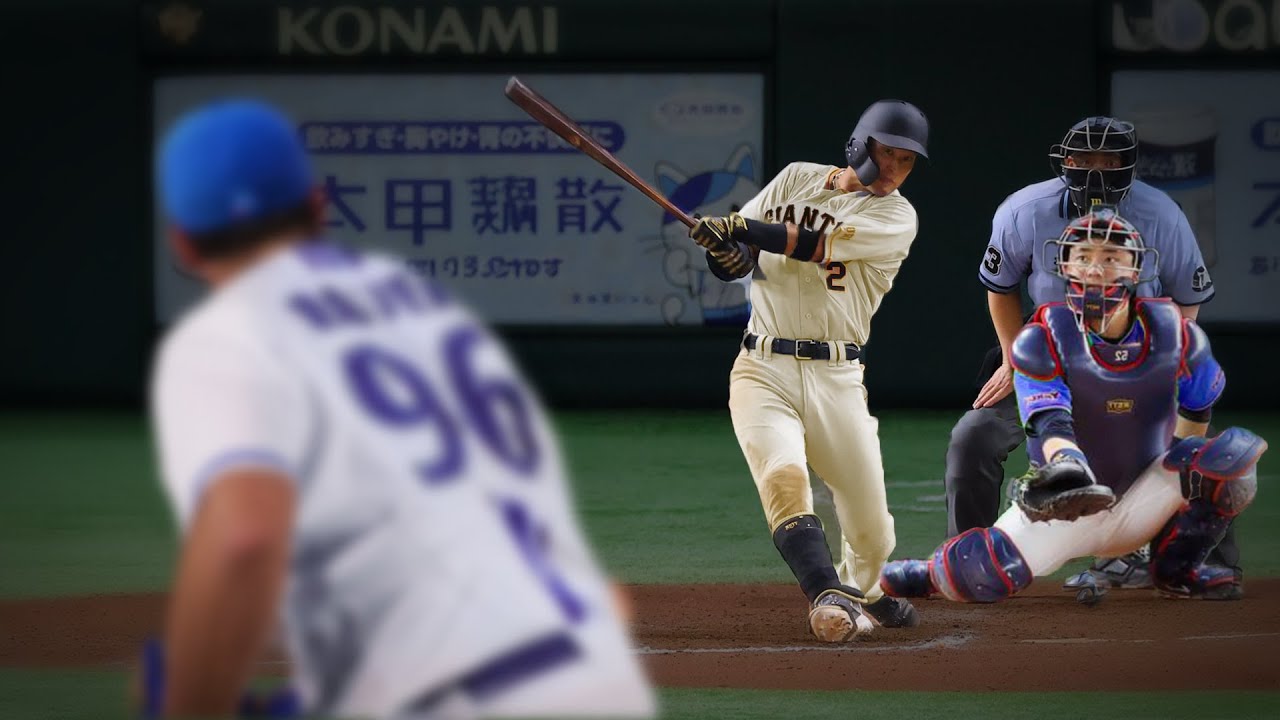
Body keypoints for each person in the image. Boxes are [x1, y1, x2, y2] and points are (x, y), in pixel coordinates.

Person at [146, 99, 656, 719]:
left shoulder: (228, 335)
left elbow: (245, 537)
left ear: (182, 245)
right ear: (317, 207)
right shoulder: (423, 309)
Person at [881, 208, 1266, 606]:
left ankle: (1175, 569)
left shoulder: (1177, 334)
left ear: (1136, 270)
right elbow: (1049, 421)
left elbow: (1198, 409)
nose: (1096, 269)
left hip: (1143, 497)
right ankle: (929, 573)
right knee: (977, 579)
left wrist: (1177, 474)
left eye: (1111, 258)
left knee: (1230, 460)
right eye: (1084, 257)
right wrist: (1067, 468)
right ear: (1065, 267)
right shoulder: (1042, 337)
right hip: (1070, 500)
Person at [944, 115, 1239, 593]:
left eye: (1110, 160)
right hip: (1050, 355)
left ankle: (1197, 564)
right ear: (1065, 161)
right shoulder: (1025, 209)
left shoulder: (1161, 214)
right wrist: (1010, 357)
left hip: (1131, 358)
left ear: (1129, 164)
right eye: (1085, 159)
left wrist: (1165, 365)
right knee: (973, 436)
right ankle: (968, 558)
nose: (1096, 171)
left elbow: (1188, 295)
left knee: (1200, 452)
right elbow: (1000, 287)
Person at [687, 99, 930, 640]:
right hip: (762, 367)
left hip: (837, 378)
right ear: (859, 145)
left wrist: (743, 228)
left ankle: (862, 590)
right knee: (783, 475)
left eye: (906, 161)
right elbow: (743, 253)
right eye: (887, 154)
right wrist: (725, 254)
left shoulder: (896, 216)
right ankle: (825, 591)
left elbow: (812, 245)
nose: (893, 169)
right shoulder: (798, 178)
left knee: (873, 532)